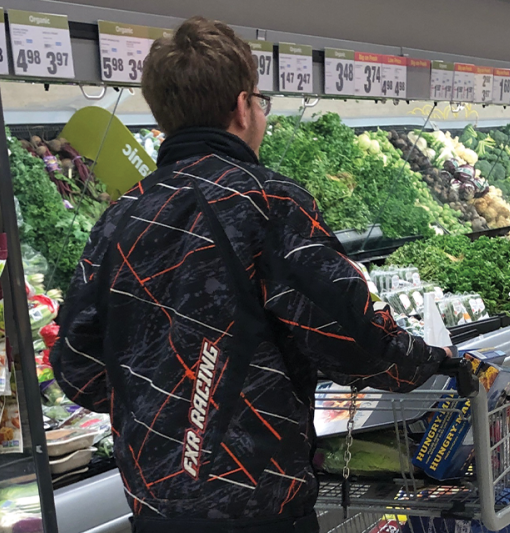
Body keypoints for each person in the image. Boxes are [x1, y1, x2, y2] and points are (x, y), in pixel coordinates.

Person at [51, 16, 454, 533]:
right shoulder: (268, 203)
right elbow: (355, 342)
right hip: (259, 504)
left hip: (155, 508)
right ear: (243, 107)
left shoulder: (118, 218)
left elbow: (77, 367)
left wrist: (164, 406)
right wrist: (433, 362)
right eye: (261, 101)